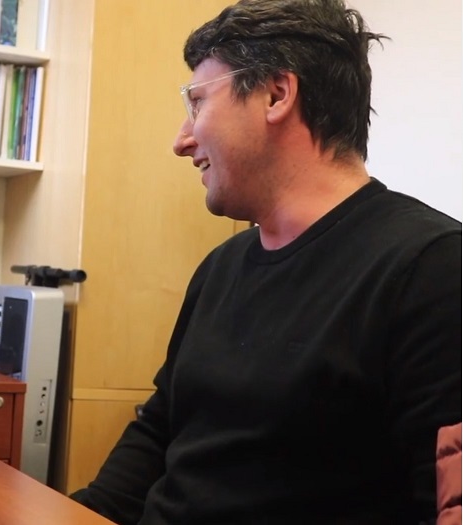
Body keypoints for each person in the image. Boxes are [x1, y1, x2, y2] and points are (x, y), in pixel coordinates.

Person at [70, 1, 461, 523]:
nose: (182, 140)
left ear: (277, 93)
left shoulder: (433, 268)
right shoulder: (221, 267)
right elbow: (159, 431)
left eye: (197, 103)